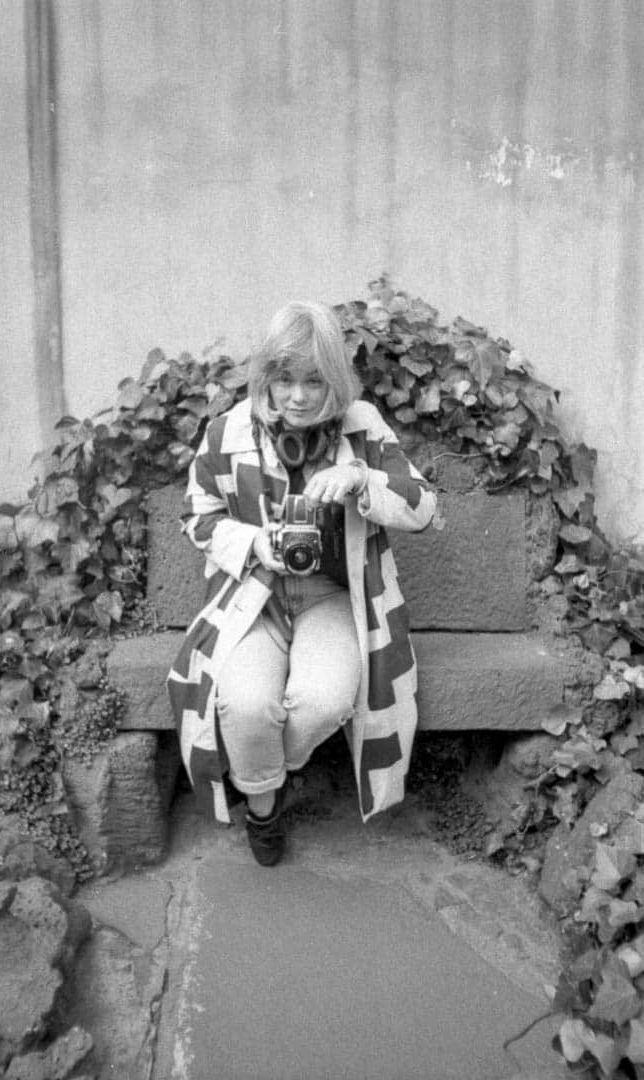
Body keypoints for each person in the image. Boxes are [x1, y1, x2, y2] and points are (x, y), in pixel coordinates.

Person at [167, 301, 437, 866]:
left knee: (320, 702)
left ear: (334, 378)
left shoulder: (363, 428)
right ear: (265, 376)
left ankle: (259, 780)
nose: (296, 396)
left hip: (335, 598)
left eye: (314, 380)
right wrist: (252, 543)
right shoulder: (229, 431)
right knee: (243, 705)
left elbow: (423, 505)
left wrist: (362, 479)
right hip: (253, 594)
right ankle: (265, 813)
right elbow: (196, 515)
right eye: (284, 378)